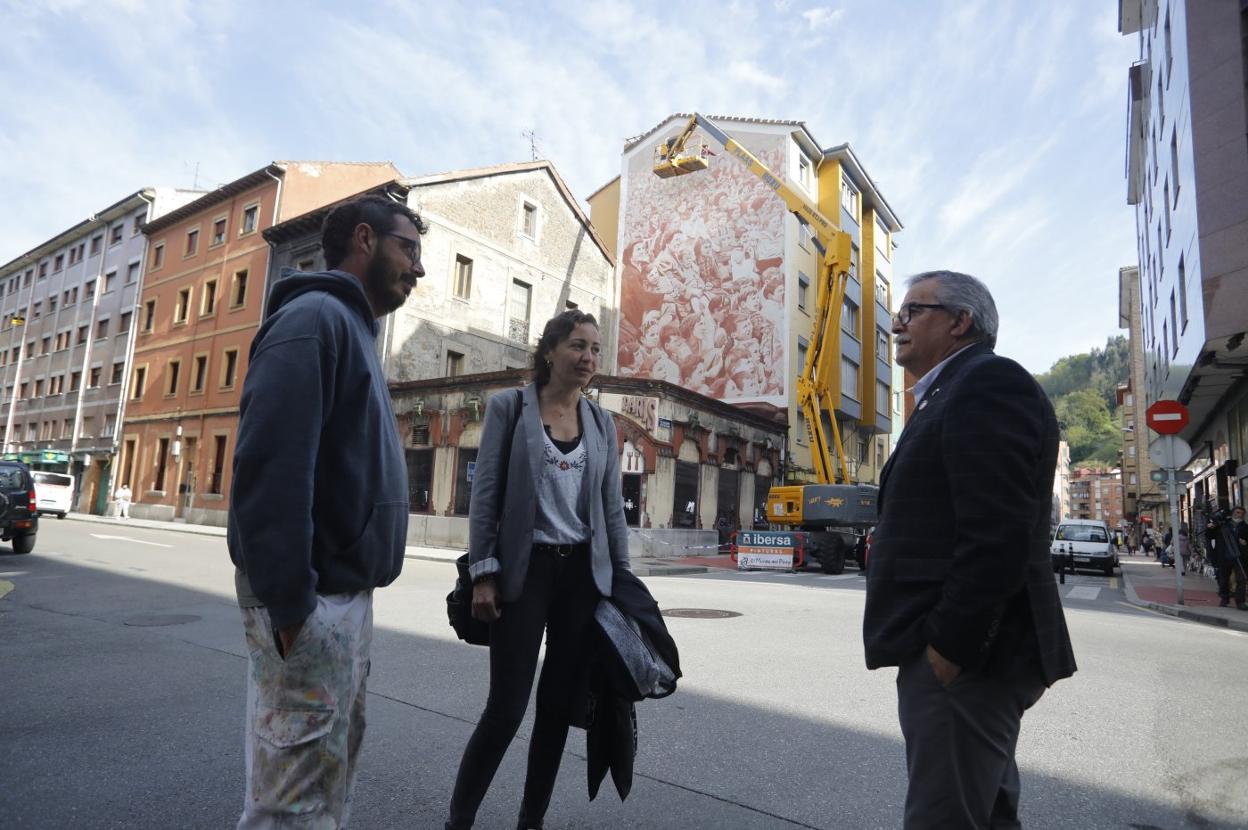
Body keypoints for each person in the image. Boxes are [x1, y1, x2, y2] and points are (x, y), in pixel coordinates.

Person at [227, 195, 426, 828]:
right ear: (364, 240)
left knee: (321, 793)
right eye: (409, 249)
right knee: (292, 808)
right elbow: (270, 468)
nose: (418, 269)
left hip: (342, 602)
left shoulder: (353, 329)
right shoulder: (315, 320)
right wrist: (293, 612)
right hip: (312, 608)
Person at [863, 270, 1077, 829]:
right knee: (989, 814)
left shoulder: (986, 383)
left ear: (961, 322)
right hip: (969, 662)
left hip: (971, 663)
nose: (896, 324)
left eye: (913, 311)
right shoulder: (948, 391)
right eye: (898, 312)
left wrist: (949, 652)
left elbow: (997, 533)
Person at [446, 310, 631, 830]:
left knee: (556, 709)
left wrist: (620, 581)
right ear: (549, 351)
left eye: (595, 349)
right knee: (506, 709)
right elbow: (485, 498)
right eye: (577, 346)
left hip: (581, 581)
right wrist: (484, 572)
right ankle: (459, 820)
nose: (588, 358)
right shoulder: (510, 408)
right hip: (524, 576)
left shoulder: (601, 422)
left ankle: (532, 821)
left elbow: (611, 509)